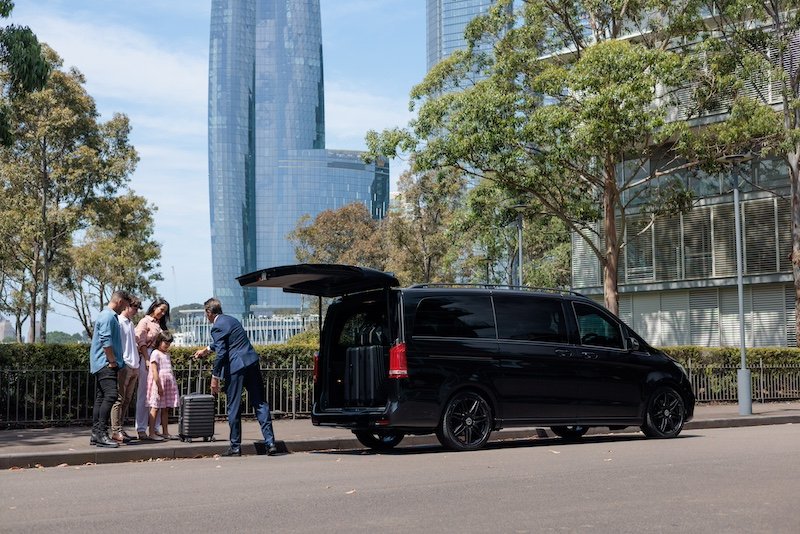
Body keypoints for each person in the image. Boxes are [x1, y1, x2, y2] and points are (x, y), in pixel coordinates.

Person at [194, 298, 277, 456]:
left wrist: (215, 377)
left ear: (209, 312)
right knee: (260, 403)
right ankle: (271, 443)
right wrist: (206, 349)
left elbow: (222, 352)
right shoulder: (232, 320)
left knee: (234, 406)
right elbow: (228, 342)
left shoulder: (216, 326)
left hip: (236, 368)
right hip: (251, 363)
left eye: (206, 313)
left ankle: (235, 446)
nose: (206, 316)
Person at [89, 290, 131, 448]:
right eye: (125, 305)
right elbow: (105, 340)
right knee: (111, 395)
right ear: (119, 301)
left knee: (101, 397)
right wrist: (112, 361)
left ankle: (96, 434)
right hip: (106, 363)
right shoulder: (108, 316)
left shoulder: (107, 315)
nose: (125, 309)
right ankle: (101, 433)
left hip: (102, 363)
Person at [134, 298, 170, 440]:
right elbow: (141, 341)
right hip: (148, 356)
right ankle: (141, 428)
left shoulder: (159, 324)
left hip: (158, 356)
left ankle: (155, 427)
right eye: (161, 310)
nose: (162, 313)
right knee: (145, 393)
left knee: (158, 394)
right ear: (154, 307)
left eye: (165, 311)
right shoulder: (145, 321)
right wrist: (147, 359)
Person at [109, 295, 142, 443]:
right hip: (125, 364)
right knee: (120, 399)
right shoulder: (119, 321)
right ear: (127, 306)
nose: (136, 311)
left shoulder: (130, 323)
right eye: (134, 308)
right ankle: (116, 430)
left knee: (127, 399)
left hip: (134, 364)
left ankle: (120, 428)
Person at [146, 330, 179, 440]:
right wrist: (159, 385)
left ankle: (165, 432)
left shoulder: (167, 354)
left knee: (165, 408)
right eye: (165, 343)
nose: (167, 345)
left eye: (169, 343)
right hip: (159, 383)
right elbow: (154, 370)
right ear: (160, 341)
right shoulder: (155, 353)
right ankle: (151, 432)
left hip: (167, 384)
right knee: (155, 407)